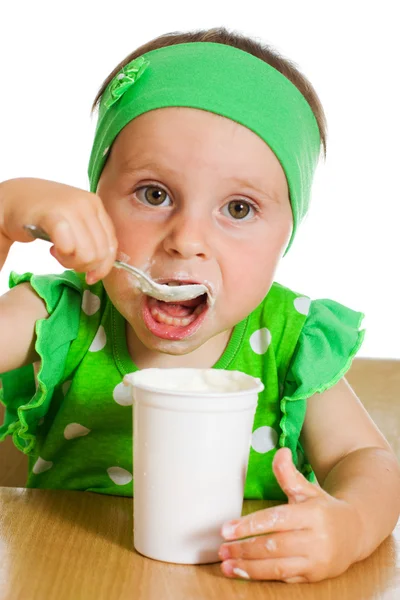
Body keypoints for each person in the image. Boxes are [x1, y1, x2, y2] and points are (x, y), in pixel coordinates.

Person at [0, 28, 399, 583]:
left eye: (238, 208)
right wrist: (2, 216)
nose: (186, 239)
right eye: (154, 194)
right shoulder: (60, 317)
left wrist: (351, 526)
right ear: (95, 200)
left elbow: (369, 462)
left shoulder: (289, 339)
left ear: (286, 236)